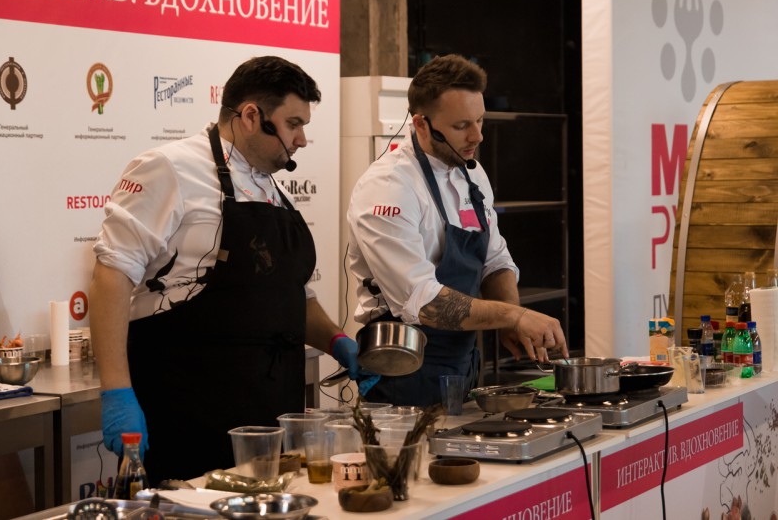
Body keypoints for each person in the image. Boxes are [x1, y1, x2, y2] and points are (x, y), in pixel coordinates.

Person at [90, 56, 376, 485]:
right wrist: (116, 392)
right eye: (294, 124)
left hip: (269, 414)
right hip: (191, 409)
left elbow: (288, 293)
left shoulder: (269, 184)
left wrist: (336, 340)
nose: (301, 140)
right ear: (250, 116)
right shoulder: (168, 168)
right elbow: (111, 275)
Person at [346, 54, 569, 407]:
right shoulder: (388, 187)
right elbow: (424, 302)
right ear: (421, 125)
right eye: (462, 125)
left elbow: (495, 259)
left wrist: (509, 322)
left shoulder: (471, 172)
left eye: (480, 120)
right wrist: (515, 315)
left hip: (462, 363)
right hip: (403, 372)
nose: (477, 136)